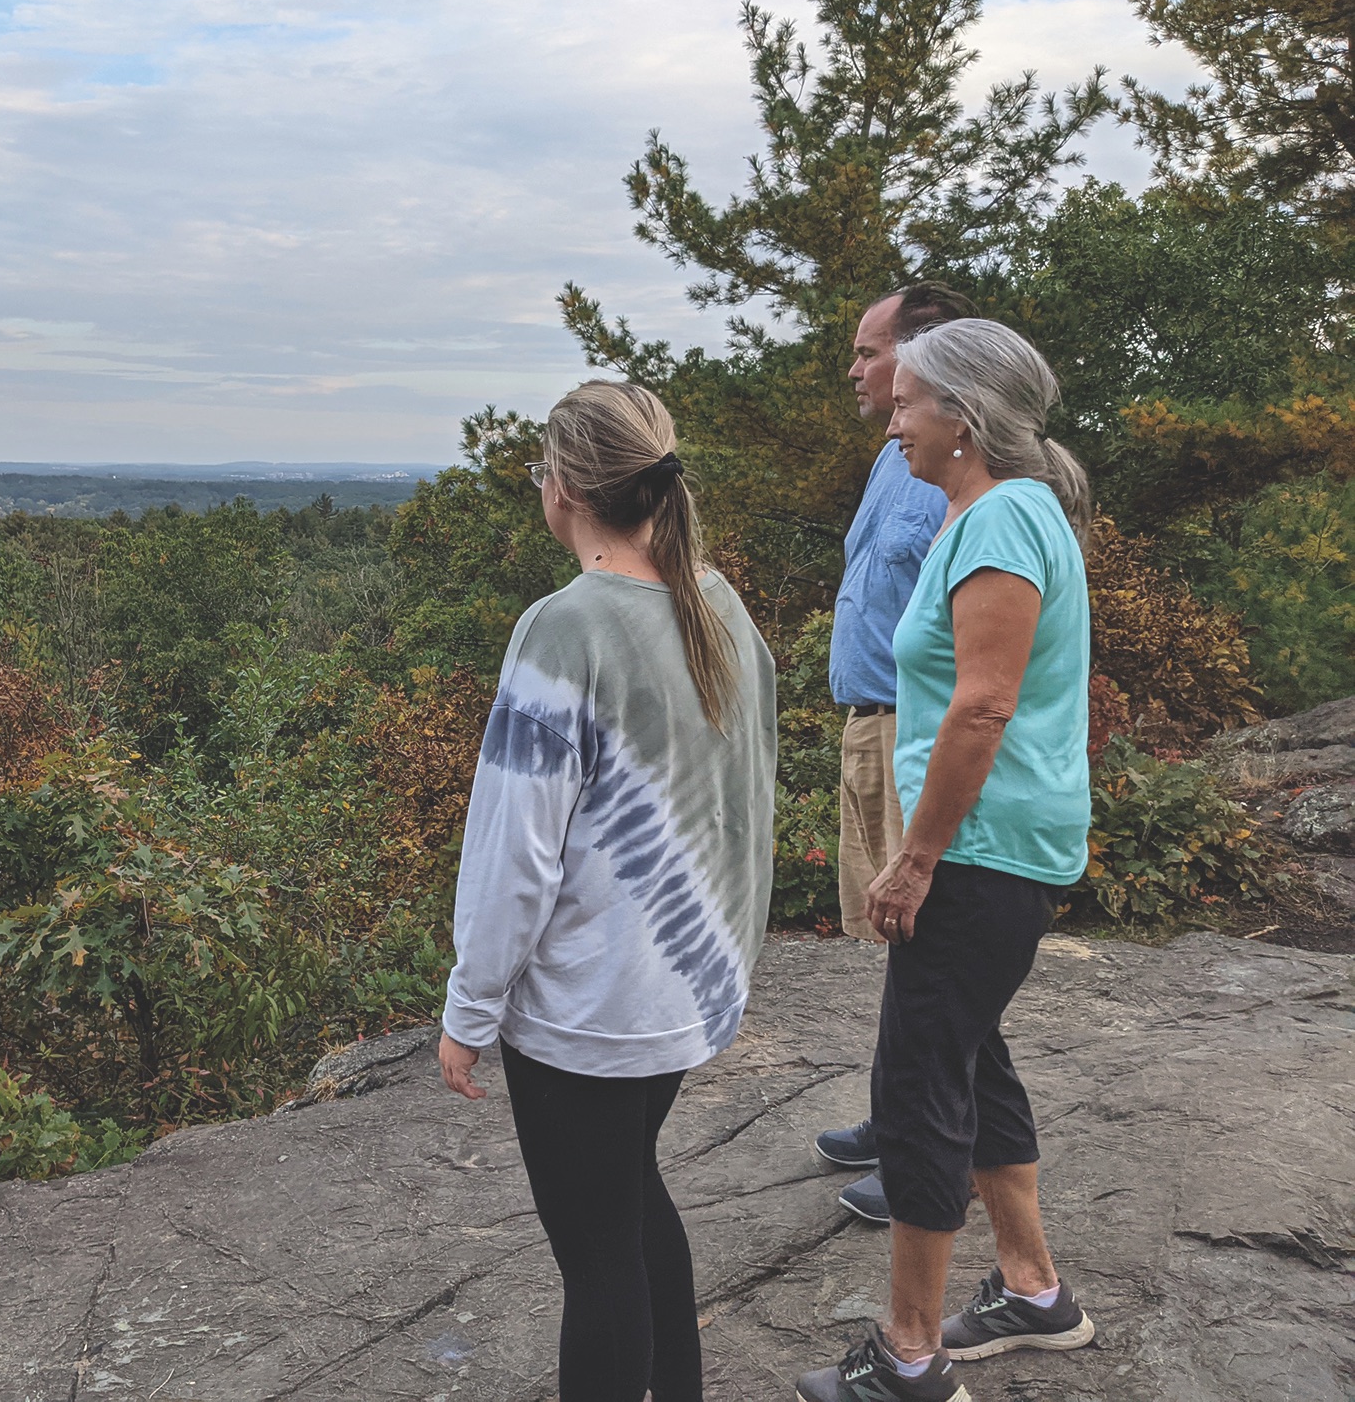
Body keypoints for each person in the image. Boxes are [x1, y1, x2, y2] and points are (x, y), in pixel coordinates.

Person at [435, 380, 776, 1402]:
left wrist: (471, 1006)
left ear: (569, 489)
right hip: (684, 990)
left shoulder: (564, 629)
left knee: (596, 1257)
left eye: (543, 472)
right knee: (628, 1203)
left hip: (590, 1006)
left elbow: (514, 852)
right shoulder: (716, 601)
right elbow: (750, 791)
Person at [796, 320, 1098, 1402]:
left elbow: (982, 704)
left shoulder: (1004, 519)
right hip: (999, 848)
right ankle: (1033, 1291)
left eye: (909, 402)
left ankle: (910, 1359)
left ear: (962, 420)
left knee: (920, 1084)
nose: (893, 419)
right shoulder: (1001, 511)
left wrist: (914, 860)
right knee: (971, 1059)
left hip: (981, 853)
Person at [813, 283, 974, 1228]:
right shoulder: (892, 459)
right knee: (893, 943)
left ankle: (928, 1151)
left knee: (931, 942)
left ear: (923, 357)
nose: (857, 367)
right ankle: (894, 1116)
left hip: (918, 726)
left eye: (869, 350)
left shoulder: (958, 476)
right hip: (869, 722)